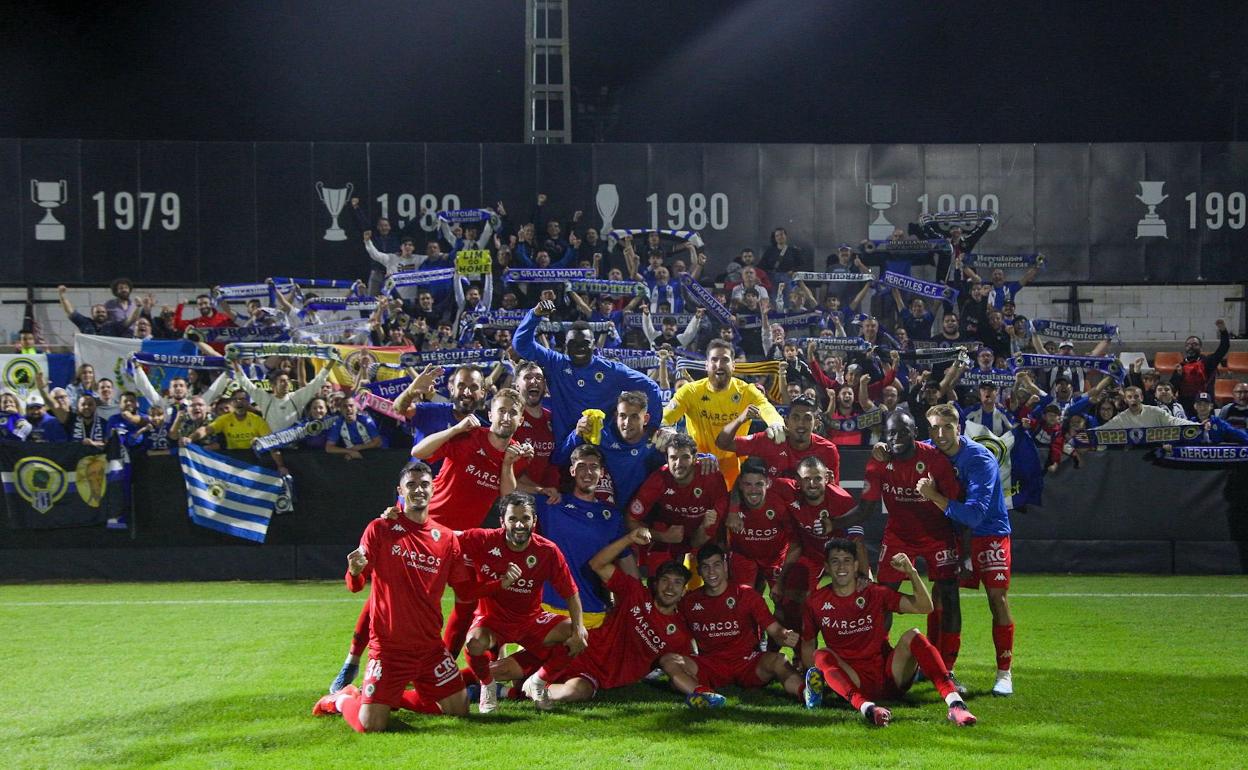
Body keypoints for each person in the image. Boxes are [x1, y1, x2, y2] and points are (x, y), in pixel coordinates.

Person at [312, 462, 497, 729]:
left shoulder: (446, 539)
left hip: (430, 648)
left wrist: (499, 584)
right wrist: (354, 571)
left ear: (433, 489)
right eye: (411, 485)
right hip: (389, 649)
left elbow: (465, 591)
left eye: (424, 484)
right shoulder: (381, 528)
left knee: (459, 711)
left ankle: (388, 697)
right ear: (400, 490)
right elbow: (355, 585)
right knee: (372, 726)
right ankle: (342, 699)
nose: (418, 490)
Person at [799, 539, 977, 727]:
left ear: (856, 565)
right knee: (820, 654)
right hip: (854, 680)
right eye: (835, 561)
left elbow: (925, 606)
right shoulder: (816, 602)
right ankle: (868, 708)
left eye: (847, 560)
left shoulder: (874, 592)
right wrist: (818, 680)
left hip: (891, 675)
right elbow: (808, 644)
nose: (841, 566)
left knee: (914, 635)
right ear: (827, 566)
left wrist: (912, 573)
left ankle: (956, 704)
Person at [509, 528, 692, 709]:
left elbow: (684, 669)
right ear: (655, 583)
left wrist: (698, 690)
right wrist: (629, 538)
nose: (670, 588)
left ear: (684, 591)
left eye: (677, 583)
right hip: (576, 650)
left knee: (575, 692)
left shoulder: (680, 634)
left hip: (596, 675)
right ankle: (495, 682)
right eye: (665, 580)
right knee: (501, 670)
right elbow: (597, 564)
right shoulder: (635, 593)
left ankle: (512, 693)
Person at [915, 403, 1015, 696]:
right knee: (940, 596)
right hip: (952, 533)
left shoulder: (980, 459)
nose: (942, 434)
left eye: (948, 427)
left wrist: (932, 495)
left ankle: (1004, 673)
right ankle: (937, 665)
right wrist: (883, 447)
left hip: (989, 532)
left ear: (958, 428)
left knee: (997, 599)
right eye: (935, 428)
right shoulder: (929, 449)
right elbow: (904, 446)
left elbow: (974, 515)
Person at [855, 413, 965, 678]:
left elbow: (956, 506)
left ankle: (946, 667)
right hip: (898, 537)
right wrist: (837, 520)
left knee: (948, 596)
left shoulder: (935, 460)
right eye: (891, 433)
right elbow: (866, 507)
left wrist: (965, 550)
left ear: (914, 431)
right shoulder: (879, 461)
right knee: (882, 596)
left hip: (937, 535)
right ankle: (879, 658)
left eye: (903, 432)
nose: (896, 439)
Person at [456, 493, 587, 714]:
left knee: (577, 634)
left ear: (534, 521)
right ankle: (487, 686)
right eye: (512, 519)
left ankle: (537, 682)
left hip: (530, 620)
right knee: (474, 644)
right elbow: (438, 537)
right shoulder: (483, 540)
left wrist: (578, 630)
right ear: (502, 521)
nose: (519, 524)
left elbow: (571, 593)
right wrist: (399, 519)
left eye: (525, 518)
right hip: (492, 621)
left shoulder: (547, 550)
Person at [501, 443, 633, 627]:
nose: (587, 472)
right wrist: (535, 486)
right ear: (572, 471)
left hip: (593, 612)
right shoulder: (553, 503)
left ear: (602, 473)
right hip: (547, 606)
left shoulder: (612, 517)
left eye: (593, 467)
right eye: (581, 466)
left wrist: (638, 602)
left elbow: (627, 565)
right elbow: (508, 495)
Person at [659, 543, 805, 709]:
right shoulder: (689, 601)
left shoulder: (746, 594)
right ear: (698, 571)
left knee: (780, 660)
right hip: (711, 664)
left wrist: (785, 635)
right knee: (668, 660)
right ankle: (706, 695)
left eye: (716, 565)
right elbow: (675, 632)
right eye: (706, 567)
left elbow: (774, 629)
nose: (711, 572)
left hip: (747, 662)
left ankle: (805, 692)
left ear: (726, 566)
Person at [513, 300, 663, 441]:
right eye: (573, 343)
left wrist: (651, 429)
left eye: (585, 343)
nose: (579, 348)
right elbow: (521, 344)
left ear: (594, 345)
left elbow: (651, 388)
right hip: (564, 448)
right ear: (565, 346)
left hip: (603, 449)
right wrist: (535, 314)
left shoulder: (611, 370)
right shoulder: (557, 363)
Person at [663, 338, 786, 488]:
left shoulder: (747, 391)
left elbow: (766, 407)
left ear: (733, 365)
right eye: (714, 360)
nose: (719, 365)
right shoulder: (690, 392)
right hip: (699, 466)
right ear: (706, 365)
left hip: (735, 470)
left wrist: (776, 422)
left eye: (725, 360)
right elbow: (666, 417)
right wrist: (664, 427)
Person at [626, 434, 727, 577]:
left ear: (695, 458)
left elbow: (704, 535)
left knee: (714, 572)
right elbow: (631, 520)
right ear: (666, 459)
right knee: (660, 575)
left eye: (685, 457)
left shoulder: (711, 477)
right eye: (673, 457)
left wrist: (704, 528)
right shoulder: (658, 479)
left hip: (702, 534)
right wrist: (662, 536)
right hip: (669, 535)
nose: (679, 463)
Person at [716, 395, 841, 483]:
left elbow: (833, 492)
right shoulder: (770, 440)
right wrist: (740, 419)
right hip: (773, 512)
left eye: (807, 418)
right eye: (795, 418)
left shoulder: (828, 450)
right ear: (786, 421)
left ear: (817, 423)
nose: (801, 424)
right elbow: (723, 443)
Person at [234, 361, 335, 431]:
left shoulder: (296, 397)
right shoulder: (265, 399)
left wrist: (331, 363)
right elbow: (244, 382)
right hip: (272, 446)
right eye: (282, 381)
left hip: (295, 447)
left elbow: (317, 382)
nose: (286, 383)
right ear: (273, 385)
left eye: (288, 381)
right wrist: (234, 362)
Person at [1171, 320, 1230, 413]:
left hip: (1204, 404)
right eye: (1188, 345)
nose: (1191, 346)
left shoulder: (1208, 362)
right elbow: (1172, 387)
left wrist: (1223, 331)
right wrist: (1177, 375)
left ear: (1201, 348)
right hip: (1185, 405)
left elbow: (1224, 348)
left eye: (1195, 344)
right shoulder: (1180, 366)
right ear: (1185, 348)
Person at [57, 285, 138, 337]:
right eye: (98, 312)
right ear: (92, 314)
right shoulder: (85, 323)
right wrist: (62, 295)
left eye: (103, 312)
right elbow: (70, 311)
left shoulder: (114, 326)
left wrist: (138, 307)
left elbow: (130, 320)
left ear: (107, 314)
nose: (101, 314)